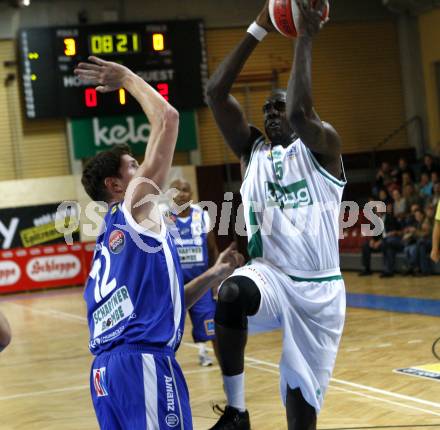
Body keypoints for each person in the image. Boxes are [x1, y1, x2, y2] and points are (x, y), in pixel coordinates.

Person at [75, 57, 244, 430]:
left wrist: (215, 274)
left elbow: (163, 305)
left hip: (105, 376)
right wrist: (128, 78)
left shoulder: (108, 240)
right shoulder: (135, 206)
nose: (144, 170)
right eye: (133, 166)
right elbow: (168, 118)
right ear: (115, 186)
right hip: (142, 365)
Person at [206, 1, 346, 429]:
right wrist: (259, 27)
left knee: (301, 411)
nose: (272, 114)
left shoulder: (323, 148)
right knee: (230, 295)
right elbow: (215, 92)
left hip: (320, 291)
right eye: (266, 109)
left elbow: (302, 113)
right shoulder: (254, 151)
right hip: (271, 276)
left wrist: (306, 34)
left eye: (278, 107)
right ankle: (237, 411)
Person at [165, 178, 220, 367]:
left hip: (201, 280)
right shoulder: (164, 218)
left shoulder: (202, 216)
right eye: (176, 190)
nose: (181, 193)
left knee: (208, 324)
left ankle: (206, 354)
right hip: (173, 282)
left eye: (185, 189)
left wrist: (215, 281)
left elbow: (212, 250)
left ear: (192, 195)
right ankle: (167, 360)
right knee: (168, 325)